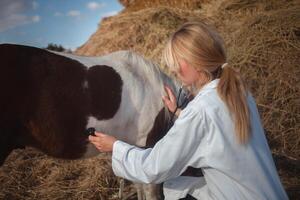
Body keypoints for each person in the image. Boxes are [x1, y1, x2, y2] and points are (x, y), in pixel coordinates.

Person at [88, 21, 288, 200]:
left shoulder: (201, 110)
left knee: (173, 186)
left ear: (197, 61)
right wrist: (177, 113)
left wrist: (116, 147)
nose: (173, 69)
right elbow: (216, 131)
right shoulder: (238, 92)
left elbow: (153, 167)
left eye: (177, 61)